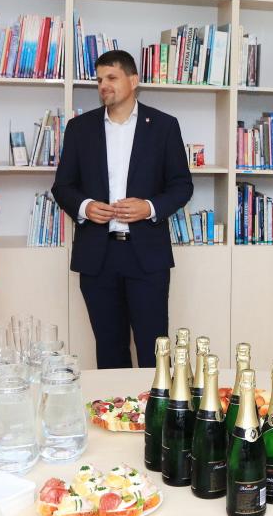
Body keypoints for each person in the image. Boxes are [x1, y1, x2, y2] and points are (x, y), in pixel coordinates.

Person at [51, 50, 193, 369]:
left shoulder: (164, 126)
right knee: (109, 351)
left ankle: (158, 404)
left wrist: (149, 207)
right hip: (97, 257)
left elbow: (182, 185)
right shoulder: (80, 128)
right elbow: (62, 187)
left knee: (154, 351)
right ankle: (115, 404)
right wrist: (86, 207)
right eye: (99, 79)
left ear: (133, 80)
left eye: (112, 77)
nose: (104, 85)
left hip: (147, 256)